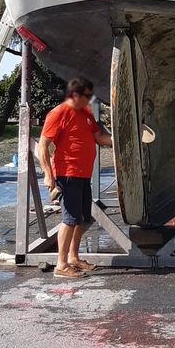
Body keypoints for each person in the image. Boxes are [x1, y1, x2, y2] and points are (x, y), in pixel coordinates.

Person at [38, 76, 112, 278]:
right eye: (87, 96)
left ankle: (73, 257)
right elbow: (42, 145)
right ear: (75, 95)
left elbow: (98, 138)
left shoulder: (85, 113)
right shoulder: (59, 113)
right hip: (67, 175)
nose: (90, 100)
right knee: (70, 220)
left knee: (82, 220)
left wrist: (120, 140)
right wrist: (48, 175)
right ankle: (61, 266)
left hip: (83, 175)